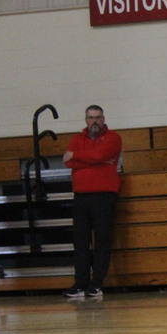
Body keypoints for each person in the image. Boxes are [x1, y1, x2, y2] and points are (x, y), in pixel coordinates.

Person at [63, 105, 122, 299]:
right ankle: (80, 283)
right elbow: (68, 161)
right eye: (90, 118)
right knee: (80, 241)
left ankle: (96, 284)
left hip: (104, 196)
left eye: (98, 117)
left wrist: (78, 156)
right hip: (81, 196)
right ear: (85, 120)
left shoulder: (114, 138)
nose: (94, 121)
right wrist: (95, 160)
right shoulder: (76, 139)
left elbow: (100, 155)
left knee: (102, 241)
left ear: (103, 119)